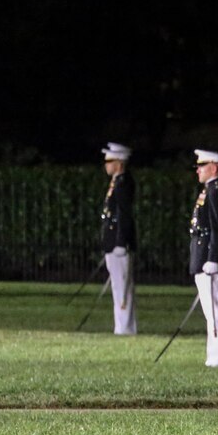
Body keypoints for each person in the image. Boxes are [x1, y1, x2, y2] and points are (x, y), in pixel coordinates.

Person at [188, 149, 218, 367]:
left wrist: (213, 257)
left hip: (213, 258)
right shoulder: (209, 190)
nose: (198, 169)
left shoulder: (216, 191)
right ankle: (216, 356)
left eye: (203, 165)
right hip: (204, 255)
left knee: (216, 310)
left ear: (214, 168)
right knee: (212, 311)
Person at [100, 142, 137, 335]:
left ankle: (125, 328)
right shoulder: (117, 182)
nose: (106, 165)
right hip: (113, 240)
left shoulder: (123, 184)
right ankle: (121, 325)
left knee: (122, 286)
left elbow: (124, 215)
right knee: (117, 284)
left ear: (119, 163)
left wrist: (121, 242)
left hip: (118, 242)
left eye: (110, 161)